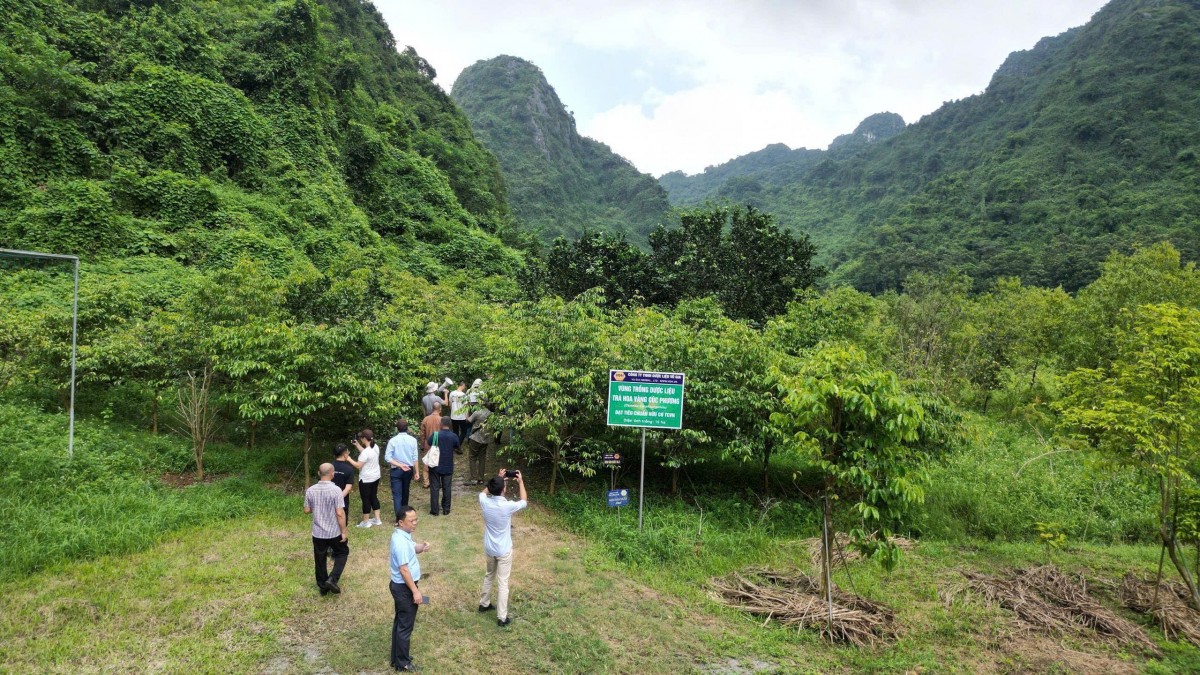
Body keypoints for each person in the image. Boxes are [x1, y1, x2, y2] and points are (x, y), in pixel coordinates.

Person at [477, 468, 528, 627]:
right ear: (503, 489)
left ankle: (484, 604)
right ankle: (502, 617)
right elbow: (524, 501)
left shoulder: (484, 502)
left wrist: (497, 478)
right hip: (503, 549)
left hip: (489, 548)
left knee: (489, 575)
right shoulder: (507, 506)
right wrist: (521, 482)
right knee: (503, 583)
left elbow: (483, 493)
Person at [389, 506, 431, 672]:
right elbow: (404, 570)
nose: (415, 523)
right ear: (401, 522)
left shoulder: (403, 535)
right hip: (404, 588)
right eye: (411, 521)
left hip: (402, 587)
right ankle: (402, 663)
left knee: (400, 622)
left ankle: (397, 657)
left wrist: (422, 547)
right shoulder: (400, 542)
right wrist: (415, 591)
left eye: (416, 519)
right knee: (405, 626)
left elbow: (412, 548)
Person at [304, 463, 349, 595]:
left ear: (319, 473)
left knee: (320, 559)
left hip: (318, 532)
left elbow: (306, 510)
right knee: (342, 553)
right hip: (334, 531)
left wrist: (316, 507)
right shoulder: (336, 490)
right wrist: (343, 531)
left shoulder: (310, 490)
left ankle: (323, 587)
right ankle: (332, 579)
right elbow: (340, 513)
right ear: (332, 474)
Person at [427, 416, 461, 516]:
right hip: (448, 465)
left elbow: (429, 443)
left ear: (441, 424)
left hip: (435, 465)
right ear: (450, 424)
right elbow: (457, 447)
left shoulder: (436, 435)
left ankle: (435, 510)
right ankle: (446, 509)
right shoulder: (453, 436)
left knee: (434, 488)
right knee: (447, 487)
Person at [385, 419, 419, 514]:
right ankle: (404, 515)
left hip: (396, 469)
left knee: (397, 495)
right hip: (408, 469)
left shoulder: (392, 441)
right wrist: (417, 472)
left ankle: (398, 516)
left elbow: (387, 457)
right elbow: (415, 457)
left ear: (397, 429)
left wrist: (399, 464)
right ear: (407, 428)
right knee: (405, 492)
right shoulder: (413, 440)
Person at [351, 429, 383, 528]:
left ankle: (366, 522)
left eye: (361, 438)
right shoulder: (375, 447)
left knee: (366, 499)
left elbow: (358, 465)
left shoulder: (366, 452)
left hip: (366, 479)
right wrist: (357, 445)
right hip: (375, 476)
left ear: (364, 438)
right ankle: (377, 519)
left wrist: (348, 458)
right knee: (373, 496)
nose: (360, 439)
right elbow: (366, 454)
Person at [466, 402, 494, 485]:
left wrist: (467, 411)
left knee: (472, 457)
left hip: (475, 438)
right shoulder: (491, 414)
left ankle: (474, 478)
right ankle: (481, 479)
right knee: (482, 458)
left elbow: (468, 421)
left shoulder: (477, 412)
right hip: (485, 438)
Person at [418, 401, 443, 490]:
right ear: (440, 409)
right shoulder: (441, 420)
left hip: (428, 444)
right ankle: (438, 481)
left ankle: (426, 482)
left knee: (426, 462)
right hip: (439, 444)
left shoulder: (426, 419)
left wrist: (422, 444)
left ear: (432, 409)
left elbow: (422, 434)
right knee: (438, 462)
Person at [331, 444, 356, 517]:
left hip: (328, 500)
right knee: (342, 521)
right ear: (345, 454)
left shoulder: (329, 466)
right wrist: (338, 499)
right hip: (342, 502)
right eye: (348, 452)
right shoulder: (349, 469)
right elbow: (348, 488)